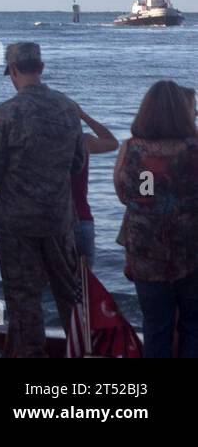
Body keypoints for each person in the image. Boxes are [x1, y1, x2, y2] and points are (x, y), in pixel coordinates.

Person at [0, 42, 85, 358]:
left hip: (17, 223)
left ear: (12, 70)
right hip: (59, 220)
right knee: (70, 297)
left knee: (24, 301)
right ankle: (81, 352)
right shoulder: (68, 109)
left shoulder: (4, 115)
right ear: (41, 67)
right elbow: (77, 163)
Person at [113, 80, 198, 358]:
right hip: (192, 250)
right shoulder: (194, 149)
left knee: (156, 328)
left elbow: (126, 196)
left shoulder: (132, 150)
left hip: (147, 254)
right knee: (193, 325)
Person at [71, 104, 118, 269]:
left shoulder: (40, 143)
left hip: (53, 221)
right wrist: (84, 115)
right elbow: (112, 142)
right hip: (81, 218)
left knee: (53, 286)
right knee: (85, 284)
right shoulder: (83, 141)